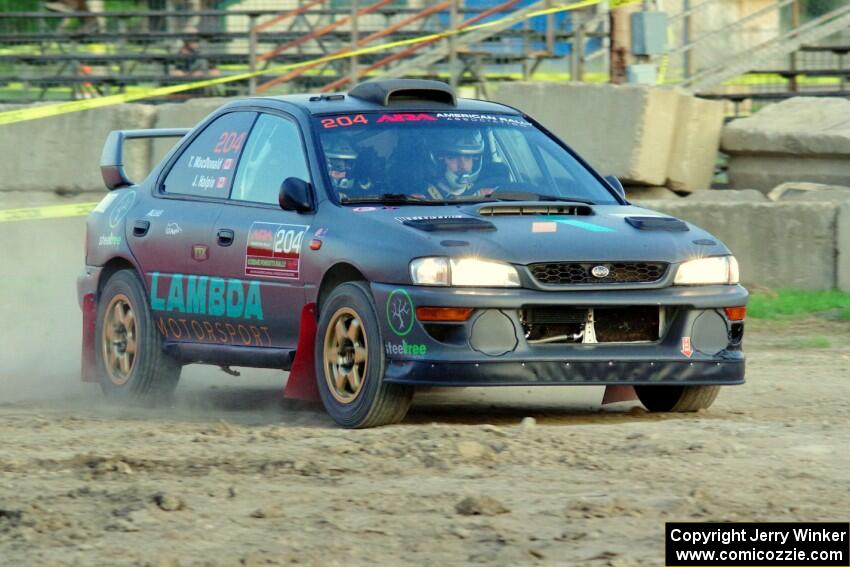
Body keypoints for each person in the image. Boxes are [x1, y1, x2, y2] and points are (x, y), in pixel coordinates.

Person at [424, 129, 493, 200]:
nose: (462, 166)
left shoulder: (486, 197)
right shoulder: (420, 199)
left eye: (468, 157)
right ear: (439, 161)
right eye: (453, 157)